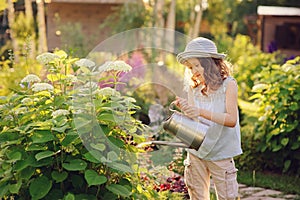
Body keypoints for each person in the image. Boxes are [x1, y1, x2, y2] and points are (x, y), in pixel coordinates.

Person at [174, 37, 242, 200]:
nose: (194, 70)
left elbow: (231, 119)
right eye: (190, 67)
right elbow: (194, 120)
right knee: (197, 195)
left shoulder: (228, 85)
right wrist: (186, 109)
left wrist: (199, 111)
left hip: (221, 151)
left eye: (197, 65)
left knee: (227, 196)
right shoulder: (194, 88)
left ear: (211, 63)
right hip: (197, 151)